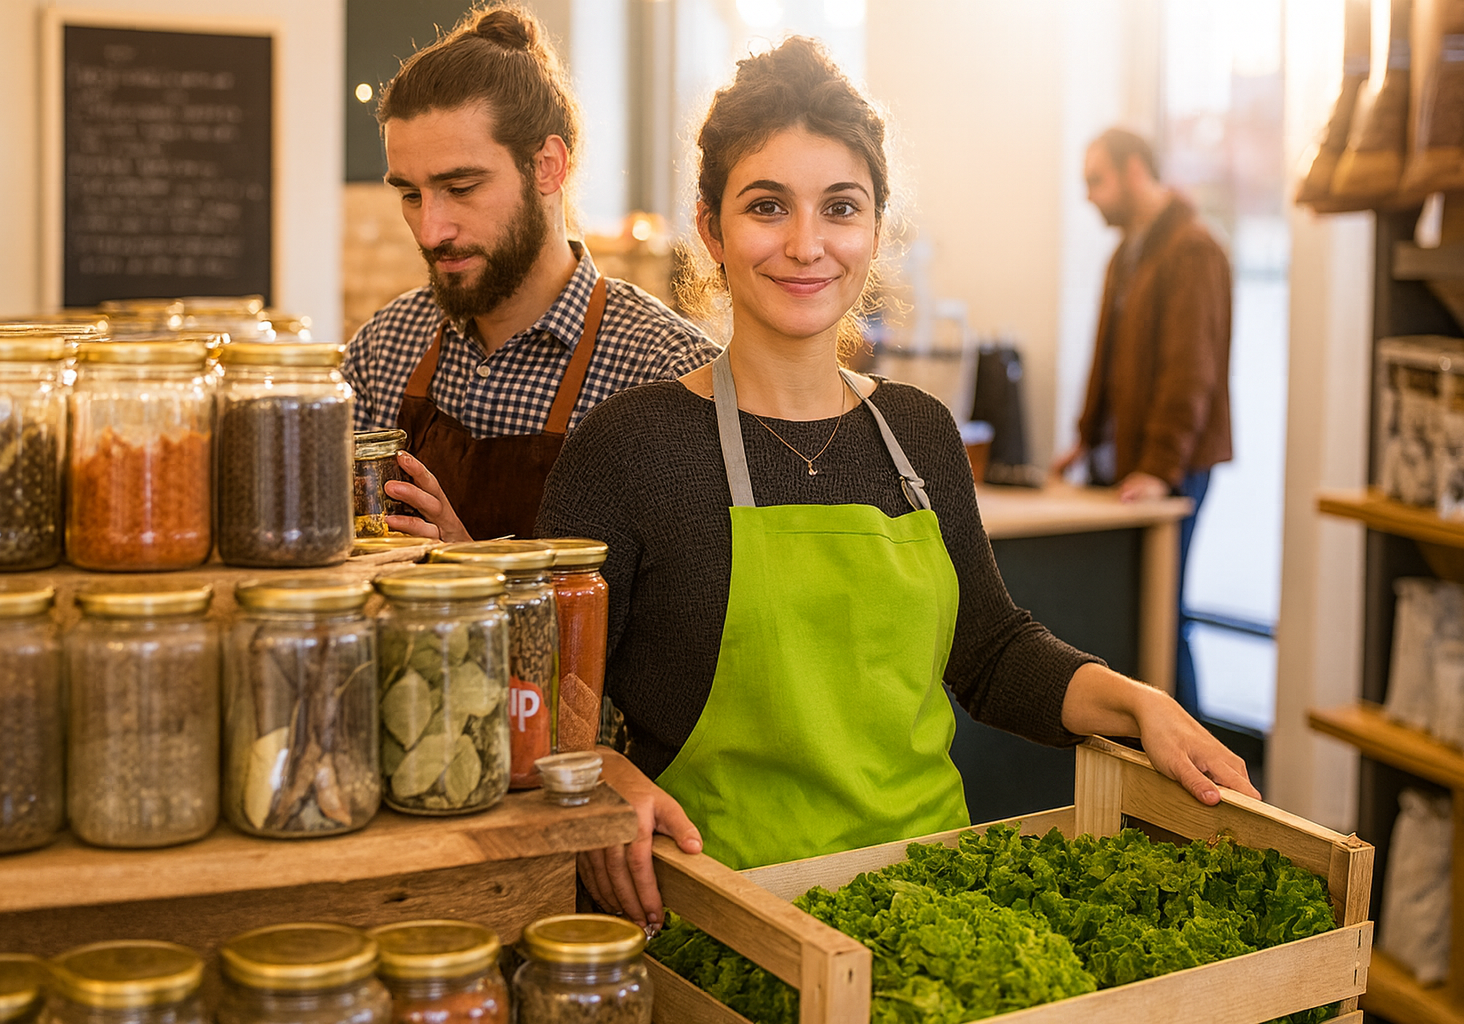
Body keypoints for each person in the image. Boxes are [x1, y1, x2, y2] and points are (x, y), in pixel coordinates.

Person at [537, 38, 1257, 928]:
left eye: (840, 207)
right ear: (711, 228)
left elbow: (989, 652)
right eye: (768, 206)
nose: (806, 245)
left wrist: (1138, 703)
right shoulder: (630, 444)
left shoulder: (916, 429)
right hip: (724, 917)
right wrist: (604, 776)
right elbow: (538, 689)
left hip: (924, 902)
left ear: (875, 228)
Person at [344, 4, 716, 543]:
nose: (430, 231)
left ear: (547, 166)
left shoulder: (666, 373)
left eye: (462, 188)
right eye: (410, 194)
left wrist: (473, 572)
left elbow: (675, 622)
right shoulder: (383, 350)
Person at [1052, 128, 1234, 720]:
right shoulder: (1127, 253)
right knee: (1129, 611)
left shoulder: (1193, 250)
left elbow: (1192, 373)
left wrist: (1159, 467)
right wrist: (1083, 438)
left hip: (1173, 465)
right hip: (1131, 462)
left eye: (1095, 181)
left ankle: (1205, 778)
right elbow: (1107, 360)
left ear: (1135, 172)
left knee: (1163, 616)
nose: (1088, 197)